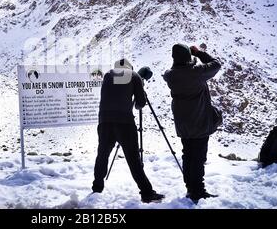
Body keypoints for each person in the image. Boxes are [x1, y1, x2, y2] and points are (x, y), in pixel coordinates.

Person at [92, 58, 165, 203]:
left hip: (104, 121)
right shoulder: (134, 76)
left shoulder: (107, 75)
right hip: (124, 122)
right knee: (133, 159)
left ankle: (97, 187)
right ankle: (147, 192)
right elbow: (140, 103)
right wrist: (138, 93)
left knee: (102, 154)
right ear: (130, 67)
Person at [163, 44, 221, 203]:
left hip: (183, 125)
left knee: (188, 155)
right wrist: (199, 54)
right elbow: (216, 64)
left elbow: (172, 70)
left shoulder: (171, 76)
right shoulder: (197, 73)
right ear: (188, 57)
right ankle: (198, 191)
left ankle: (190, 187)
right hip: (199, 123)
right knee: (198, 157)